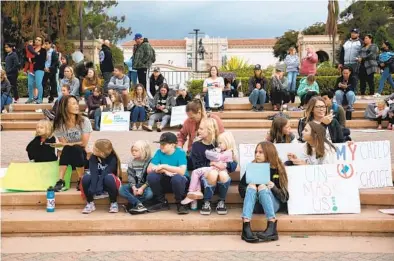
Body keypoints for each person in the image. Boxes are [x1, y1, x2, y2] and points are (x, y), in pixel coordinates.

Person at [239, 142, 289, 243]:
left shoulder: (278, 169)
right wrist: (248, 188)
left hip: (273, 205)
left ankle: (271, 227)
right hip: (255, 206)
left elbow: (285, 197)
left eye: (261, 152)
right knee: (252, 186)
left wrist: (273, 187)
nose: (257, 154)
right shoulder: (252, 167)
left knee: (262, 186)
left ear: (269, 153)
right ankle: (246, 228)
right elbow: (241, 189)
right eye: (256, 152)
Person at [52, 95, 92, 192]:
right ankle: (60, 180)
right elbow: (64, 143)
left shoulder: (84, 121)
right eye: (73, 104)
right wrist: (67, 145)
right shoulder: (59, 124)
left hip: (83, 158)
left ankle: (81, 179)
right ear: (65, 107)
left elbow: (83, 143)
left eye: (77, 103)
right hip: (68, 157)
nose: (77, 106)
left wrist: (69, 144)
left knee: (77, 148)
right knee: (68, 148)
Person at [146, 132, 189, 214]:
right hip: (166, 181)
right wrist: (164, 171)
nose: (161, 146)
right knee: (152, 176)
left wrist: (164, 166)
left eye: (164, 144)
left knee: (177, 178)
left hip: (181, 183)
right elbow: (149, 169)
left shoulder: (180, 152)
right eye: (160, 143)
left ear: (172, 145)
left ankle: (180, 203)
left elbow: (182, 171)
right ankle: (162, 202)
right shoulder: (159, 152)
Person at [180, 117, 219, 203]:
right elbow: (197, 165)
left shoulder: (218, 144)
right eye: (199, 128)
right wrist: (212, 164)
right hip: (202, 174)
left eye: (201, 129)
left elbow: (230, 161)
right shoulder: (196, 145)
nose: (198, 131)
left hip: (217, 174)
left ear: (210, 130)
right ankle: (198, 195)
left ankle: (195, 194)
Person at [81, 139, 122, 214]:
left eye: (95, 148)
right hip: (96, 181)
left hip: (110, 182)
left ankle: (113, 202)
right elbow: (94, 173)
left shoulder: (113, 158)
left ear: (102, 153)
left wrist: (99, 185)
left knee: (108, 177)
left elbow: (105, 174)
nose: (92, 149)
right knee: (86, 177)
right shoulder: (93, 157)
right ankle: (90, 203)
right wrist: (93, 188)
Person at [119, 140, 153, 214]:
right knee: (122, 189)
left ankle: (132, 204)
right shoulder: (131, 162)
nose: (133, 152)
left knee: (149, 194)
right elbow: (130, 176)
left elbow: (151, 178)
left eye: (136, 151)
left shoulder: (151, 161)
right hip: (135, 185)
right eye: (132, 150)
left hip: (146, 186)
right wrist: (134, 188)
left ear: (144, 151)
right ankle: (139, 204)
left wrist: (142, 188)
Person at [26, 36, 47, 104]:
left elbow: (41, 60)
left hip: (39, 69)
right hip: (31, 69)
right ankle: (30, 98)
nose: (37, 41)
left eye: (39, 40)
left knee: (38, 84)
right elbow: (27, 57)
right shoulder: (31, 48)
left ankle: (40, 99)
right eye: (36, 39)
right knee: (30, 84)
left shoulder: (43, 50)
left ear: (41, 42)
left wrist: (32, 60)